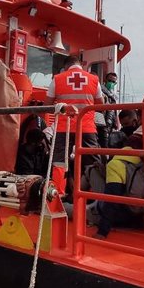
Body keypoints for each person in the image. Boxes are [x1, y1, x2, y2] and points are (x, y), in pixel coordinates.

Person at [45, 56, 104, 194]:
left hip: (63, 128)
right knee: (92, 162)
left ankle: (57, 195)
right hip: (87, 128)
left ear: (66, 67)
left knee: (59, 161)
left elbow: (47, 106)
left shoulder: (58, 79)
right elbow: (101, 105)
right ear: (80, 65)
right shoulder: (94, 80)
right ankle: (95, 195)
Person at [94, 133, 144, 239]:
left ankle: (65, 204)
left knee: (77, 210)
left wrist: (102, 232)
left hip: (123, 214)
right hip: (140, 214)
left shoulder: (116, 164)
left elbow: (112, 200)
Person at [97, 72, 119, 147]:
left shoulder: (113, 95)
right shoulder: (100, 92)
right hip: (102, 124)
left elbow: (114, 111)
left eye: (113, 82)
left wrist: (116, 123)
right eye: (110, 81)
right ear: (105, 80)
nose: (111, 83)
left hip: (110, 124)